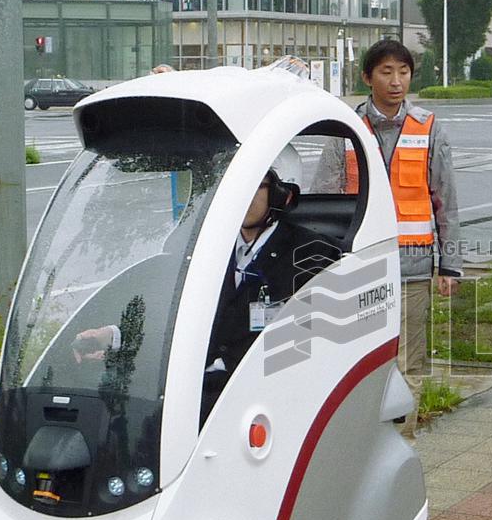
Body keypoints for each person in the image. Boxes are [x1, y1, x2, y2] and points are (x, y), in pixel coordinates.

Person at [74, 163, 338, 420]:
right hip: (195, 387)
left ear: (281, 194)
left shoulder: (313, 254)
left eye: (256, 186)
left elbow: (313, 342)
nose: (244, 195)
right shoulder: (207, 249)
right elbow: (175, 315)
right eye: (238, 186)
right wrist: (112, 335)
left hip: (259, 396)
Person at [312, 39, 461, 438]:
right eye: (386, 72)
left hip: (412, 268)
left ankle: (402, 443)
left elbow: (445, 199)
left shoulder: (428, 127)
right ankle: (359, 443)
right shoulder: (345, 128)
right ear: (367, 77)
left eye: (404, 72)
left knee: (408, 361)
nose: (396, 81)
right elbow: (325, 195)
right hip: (359, 266)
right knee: (358, 360)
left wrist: (449, 264)